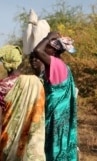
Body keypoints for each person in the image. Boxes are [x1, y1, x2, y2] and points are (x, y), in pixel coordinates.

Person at [0, 45, 46, 161]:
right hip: (33, 145)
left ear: (5, 62)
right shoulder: (35, 82)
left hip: (8, 145)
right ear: (18, 60)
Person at [33, 31, 78, 160]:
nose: (44, 49)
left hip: (56, 117)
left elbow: (37, 50)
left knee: (55, 148)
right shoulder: (59, 66)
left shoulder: (56, 64)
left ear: (53, 51)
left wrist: (49, 37)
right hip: (58, 115)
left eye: (47, 46)